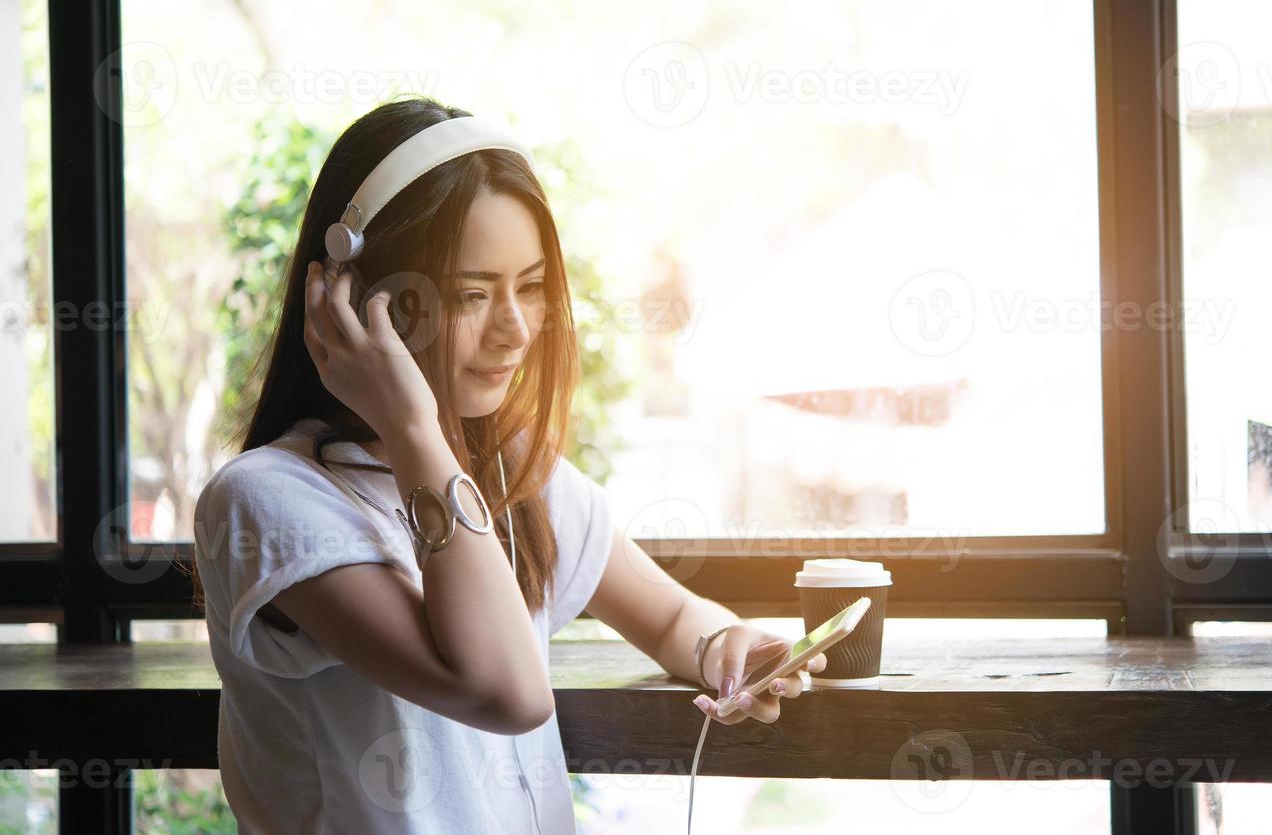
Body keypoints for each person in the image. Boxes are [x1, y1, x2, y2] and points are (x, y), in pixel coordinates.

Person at [190, 96, 826, 833]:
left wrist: (726, 646)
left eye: (528, 286)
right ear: (352, 297)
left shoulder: (511, 472)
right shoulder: (266, 500)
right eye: (470, 294)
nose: (516, 329)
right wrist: (411, 426)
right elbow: (505, 693)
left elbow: (672, 614)